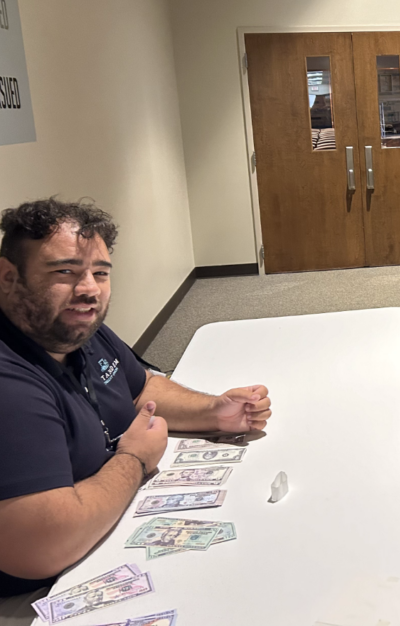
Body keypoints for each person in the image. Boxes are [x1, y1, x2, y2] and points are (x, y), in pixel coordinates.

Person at [0, 199, 272, 616]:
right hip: (40, 593)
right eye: (65, 271)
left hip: (105, 530)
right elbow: (43, 547)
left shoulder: (74, 329)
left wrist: (212, 411)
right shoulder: (11, 384)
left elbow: (142, 385)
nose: (89, 288)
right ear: (8, 278)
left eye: (100, 273)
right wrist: (135, 459)